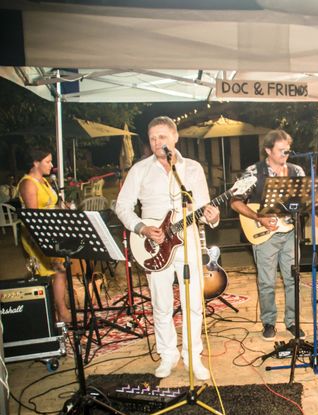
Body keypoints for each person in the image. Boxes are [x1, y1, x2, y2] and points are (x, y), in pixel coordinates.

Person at [115, 116, 220, 380]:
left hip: (188, 241)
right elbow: (122, 207)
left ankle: (193, 357)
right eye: (152, 138)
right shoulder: (139, 169)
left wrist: (212, 215)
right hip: (153, 244)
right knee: (161, 303)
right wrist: (141, 228)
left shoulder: (193, 168)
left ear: (175, 138)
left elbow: (204, 209)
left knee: (193, 303)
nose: (157, 142)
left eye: (162, 137)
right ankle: (167, 355)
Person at [231, 129, 306, 340]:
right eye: (281, 151)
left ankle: (292, 322)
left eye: (287, 151)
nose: (286, 155)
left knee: (293, 280)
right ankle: (269, 322)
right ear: (268, 150)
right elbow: (235, 201)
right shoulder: (253, 172)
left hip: (290, 232)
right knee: (267, 282)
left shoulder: (296, 171)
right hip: (264, 234)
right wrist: (258, 217)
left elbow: (305, 200)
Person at [17, 148, 72, 323]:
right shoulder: (28, 183)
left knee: (59, 271)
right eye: (48, 161)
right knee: (54, 272)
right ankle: (58, 312)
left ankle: (60, 311)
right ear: (35, 162)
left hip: (51, 232)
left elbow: (50, 205)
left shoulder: (45, 182)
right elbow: (34, 216)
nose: (52, 165)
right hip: (36, 235)